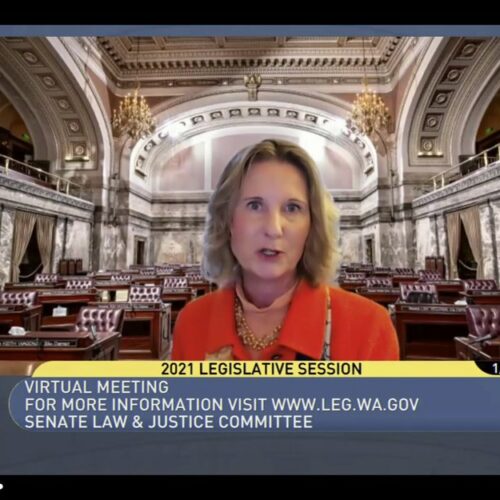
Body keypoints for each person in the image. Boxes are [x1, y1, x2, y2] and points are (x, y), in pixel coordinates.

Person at [171, 139, 399, 361]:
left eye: (292, 208)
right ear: (227, 220)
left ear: (312, 225)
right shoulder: (192, 322)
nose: (273, 229)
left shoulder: (369, 327)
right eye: (255, 205)